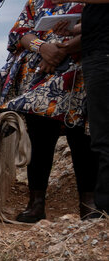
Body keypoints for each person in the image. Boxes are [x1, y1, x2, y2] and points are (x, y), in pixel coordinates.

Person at [0, 0, 95, 221]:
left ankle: (88, 203)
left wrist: (61, 52)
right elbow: (20, 32)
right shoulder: (36, 2)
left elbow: (98, 28)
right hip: (40, 80)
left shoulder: (90, 3)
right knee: (40, 138)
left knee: (81, 139)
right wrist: (44, 48)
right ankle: (36, 203)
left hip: (77, 78)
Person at [67, 0, 109, 217]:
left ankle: (104, 208)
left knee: (103, 136)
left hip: (103, 57)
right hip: (98, 55)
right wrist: (72, 29)